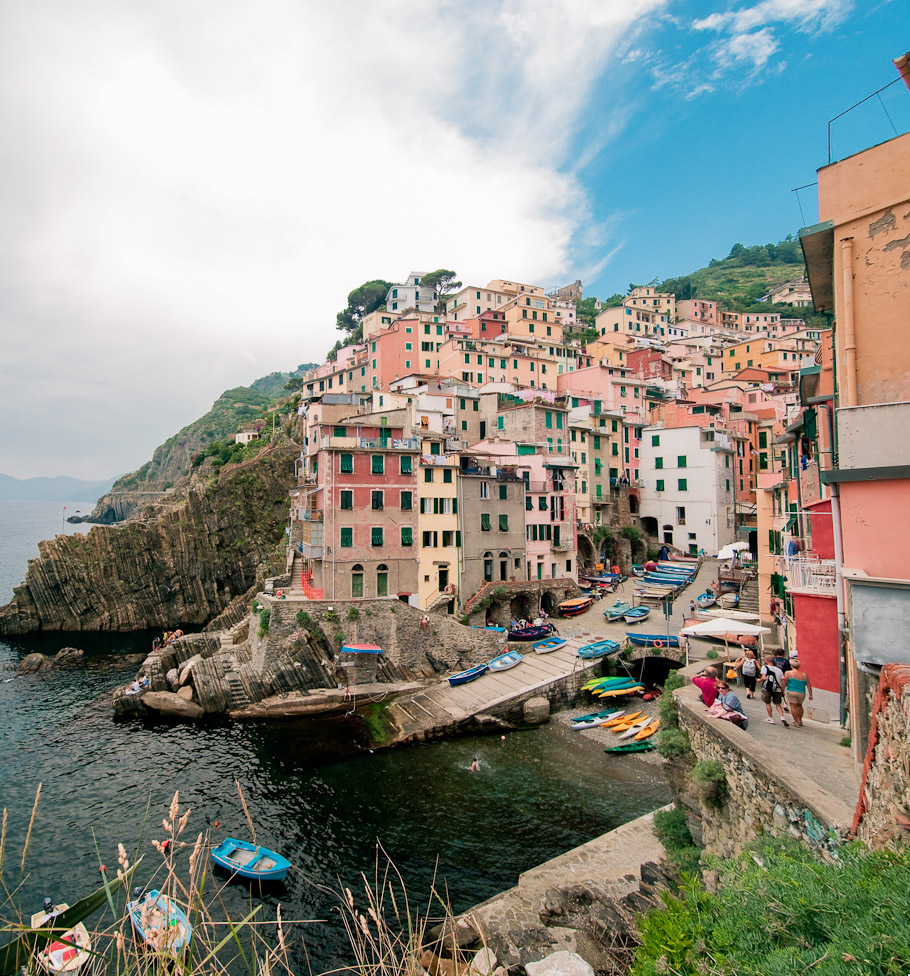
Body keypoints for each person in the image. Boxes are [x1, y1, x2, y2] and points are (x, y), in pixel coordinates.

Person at [782, 658, 813, 727]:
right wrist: (810, 695)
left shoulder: (788, 673)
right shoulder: (804, 675)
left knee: (793, 706)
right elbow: (808, 685)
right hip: (802, 693)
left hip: (791, 691)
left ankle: (796, 721)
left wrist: (782, 690)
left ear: (791, 666)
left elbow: (784, 682)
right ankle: (800, 720)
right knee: (799, 706)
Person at [760, 654, 787, 725]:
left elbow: (763, 677)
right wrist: (782, 689)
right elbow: (783, 680)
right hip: (777, 688)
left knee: (768, 703)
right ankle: (782, 717)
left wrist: (759, 680)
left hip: (767, 688)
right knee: (778, 704)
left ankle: (770, 718)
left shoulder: (765, 667)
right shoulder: (779, 670)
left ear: (766, 661)